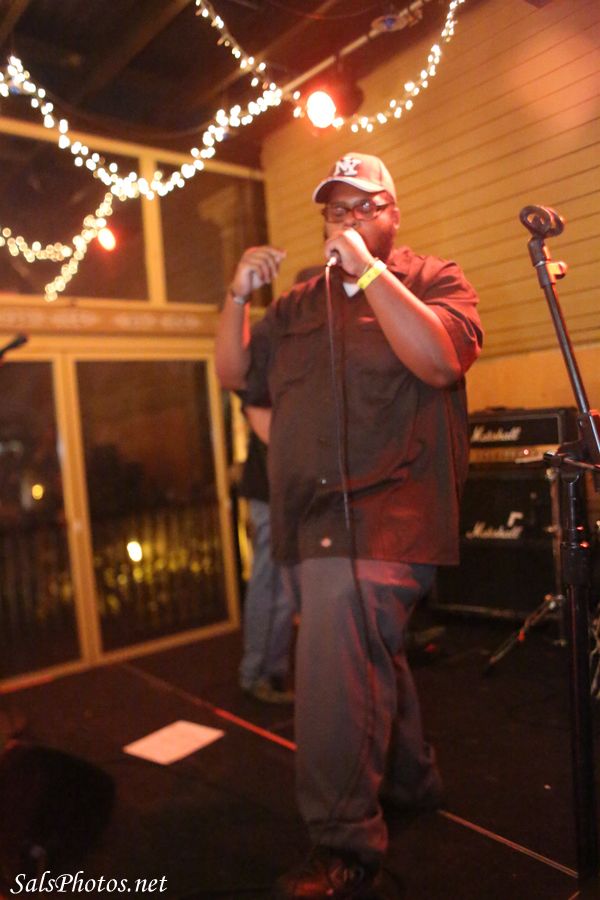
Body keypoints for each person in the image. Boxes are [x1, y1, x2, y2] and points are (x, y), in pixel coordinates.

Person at [215, 152, 483, 899]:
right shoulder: (298, 305)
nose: (352, 219)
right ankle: (411, 778)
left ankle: (344, 846)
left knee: (335, 661)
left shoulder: (432, 278)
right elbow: (235, 375)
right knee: (364, 649)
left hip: (392, 512)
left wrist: (369, 272)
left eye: (367, 206)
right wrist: (236, 297)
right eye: (339, 209)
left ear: (394, 212)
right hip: (313, 516)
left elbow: (440, 362)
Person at [237, 403, 295, 704]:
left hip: (278, 489)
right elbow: (257, 410)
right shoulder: (262, 380)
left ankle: (270, 671)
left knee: (282, 588)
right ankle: (257, 674)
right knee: (271, 584)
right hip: (270, 490)